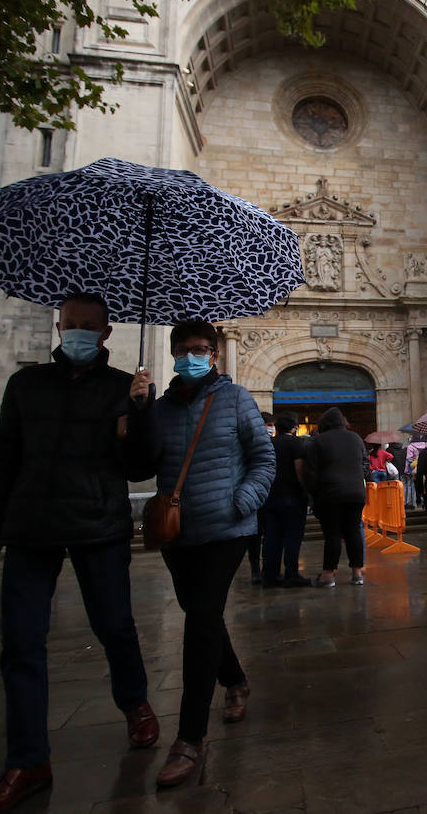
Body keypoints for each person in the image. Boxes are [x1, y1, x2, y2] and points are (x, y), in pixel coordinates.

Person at [0, 292, 160, 814]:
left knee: (115, 624)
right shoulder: (25, 384)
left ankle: (133, 699)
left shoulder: (127, 388)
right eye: (70, 323)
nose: (77, 332)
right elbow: (3, 454)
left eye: (88, 325)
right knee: (21, 642)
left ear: (106, 334)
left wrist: (140, 414)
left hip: (99, 523)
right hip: (30, 525)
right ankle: (28, 759)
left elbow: (140, 466)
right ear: (58, 327)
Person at [143, 319, 275, 788]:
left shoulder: (236, 398)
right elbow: (139, 467)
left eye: (199, 348)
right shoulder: (157, 409)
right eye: (182, 349)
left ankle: (189, 739)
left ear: (215, 354)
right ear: (173, 353)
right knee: (202, 613)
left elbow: (264, 457)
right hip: (177, 531)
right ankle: (235, 679)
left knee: (199, 619)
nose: (190, 355)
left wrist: (242, 502)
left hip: (227, 528)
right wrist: (137, 410)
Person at [304, 407, 368, 586]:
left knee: (332, 534)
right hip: (356, 493)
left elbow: (311, 472)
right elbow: (365, 463)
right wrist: (357, 477)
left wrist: (313, 493)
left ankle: (328, 575)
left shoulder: (318, 441)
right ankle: (357, 573)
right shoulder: (355, 438)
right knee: (353, 531)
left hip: (330, 493)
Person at [259, 412, 311, 588]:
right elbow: (299, 468)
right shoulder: (296, 444)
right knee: (292, 536)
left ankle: (270, 574)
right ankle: (291, 573)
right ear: (294, 428)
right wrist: (305, 490)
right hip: (293, 497)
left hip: (270, 496)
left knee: (271, 536)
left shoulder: (268, 444)